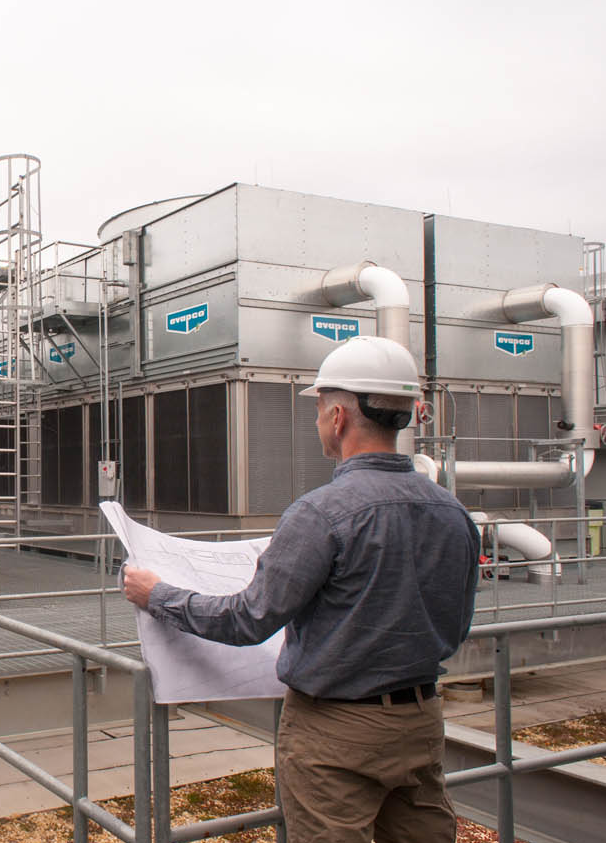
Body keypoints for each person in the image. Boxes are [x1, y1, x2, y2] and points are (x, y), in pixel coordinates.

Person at [122, 335, 479, 843]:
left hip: (335, 733)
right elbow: (455, 621)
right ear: (409, 413)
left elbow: (248, 619)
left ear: (337, 417)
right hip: (421, 722)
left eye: (318, 411)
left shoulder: (322, 513)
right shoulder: (454, 512)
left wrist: (157, 594)